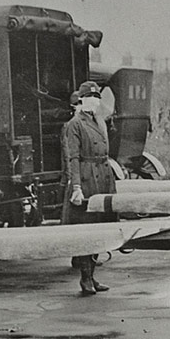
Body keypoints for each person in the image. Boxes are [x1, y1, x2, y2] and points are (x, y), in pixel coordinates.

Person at [62, 81, 116, 295]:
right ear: (81, 100)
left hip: (103, 177)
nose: (94, 100)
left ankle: (92, 276)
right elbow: (72, 158)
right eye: (89, 97)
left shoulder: (99, 121)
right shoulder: (74, 124)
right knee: (87, 230)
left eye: (96, 97)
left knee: (101, 229)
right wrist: (76, 186)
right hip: (86, 179)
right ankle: (85, 278)